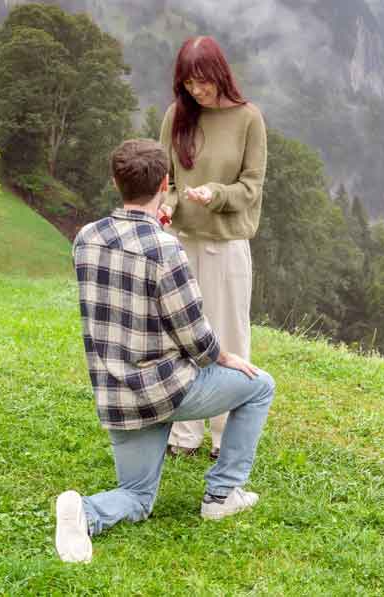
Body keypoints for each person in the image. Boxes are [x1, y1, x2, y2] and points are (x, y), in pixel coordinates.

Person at [55, 139, 275, 564]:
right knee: (260, 386)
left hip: (117, 396)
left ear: (115, 181)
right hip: (169, 388)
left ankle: (86, 511)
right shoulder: (164, 248)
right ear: (164, 184)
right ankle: (222, 494)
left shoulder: (86, 238)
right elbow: (192, 332)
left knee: (137, 497)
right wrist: (223, 357)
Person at [159, 36, 267, 460]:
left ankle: (224, 437)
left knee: (229, 337)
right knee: (182, 336)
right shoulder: (177, 116)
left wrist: (216, 194)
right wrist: (166, 208)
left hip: (226, 245)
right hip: (181, 241)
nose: (196, 91)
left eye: (202, 82)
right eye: (188, 84)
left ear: (220, 74)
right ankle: (185, 433)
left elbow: (251, 188)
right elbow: (165, 181)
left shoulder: (248, 119)